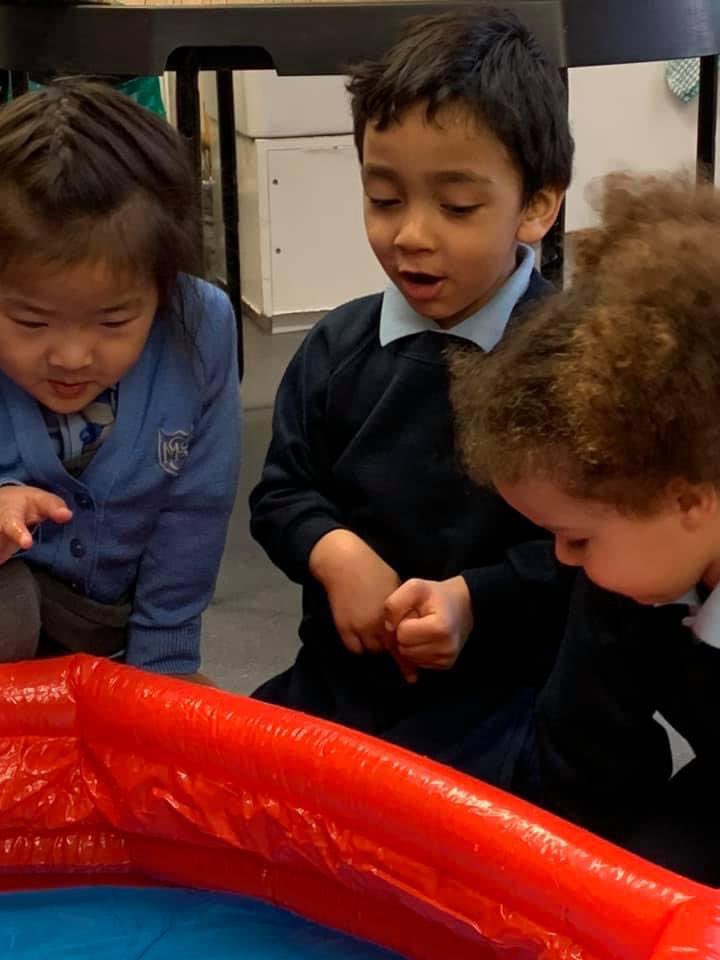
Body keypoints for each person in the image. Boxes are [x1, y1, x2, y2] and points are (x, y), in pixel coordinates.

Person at [250, 8, 574, 781]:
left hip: (504, 701)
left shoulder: (574, 361)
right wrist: (333, 552)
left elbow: (594, 559)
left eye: (457, 207)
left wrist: (476, 601)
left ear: (536, 205)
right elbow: (282, 494)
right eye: (385, 199)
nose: (412, 236)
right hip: (341, 689)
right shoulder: (336, 348)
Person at [433, 173, 720, 883]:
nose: (561, 557)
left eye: (579, 539)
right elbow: (577, 759)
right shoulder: (633, 582)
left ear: (691, 501)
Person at [0, 79, 240, 682]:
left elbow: (194, 516)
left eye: (114, 320)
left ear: (163, 288)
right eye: (30, 320)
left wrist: (162, 679)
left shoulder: (199, 326)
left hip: (114, 629)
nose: (72, 357)